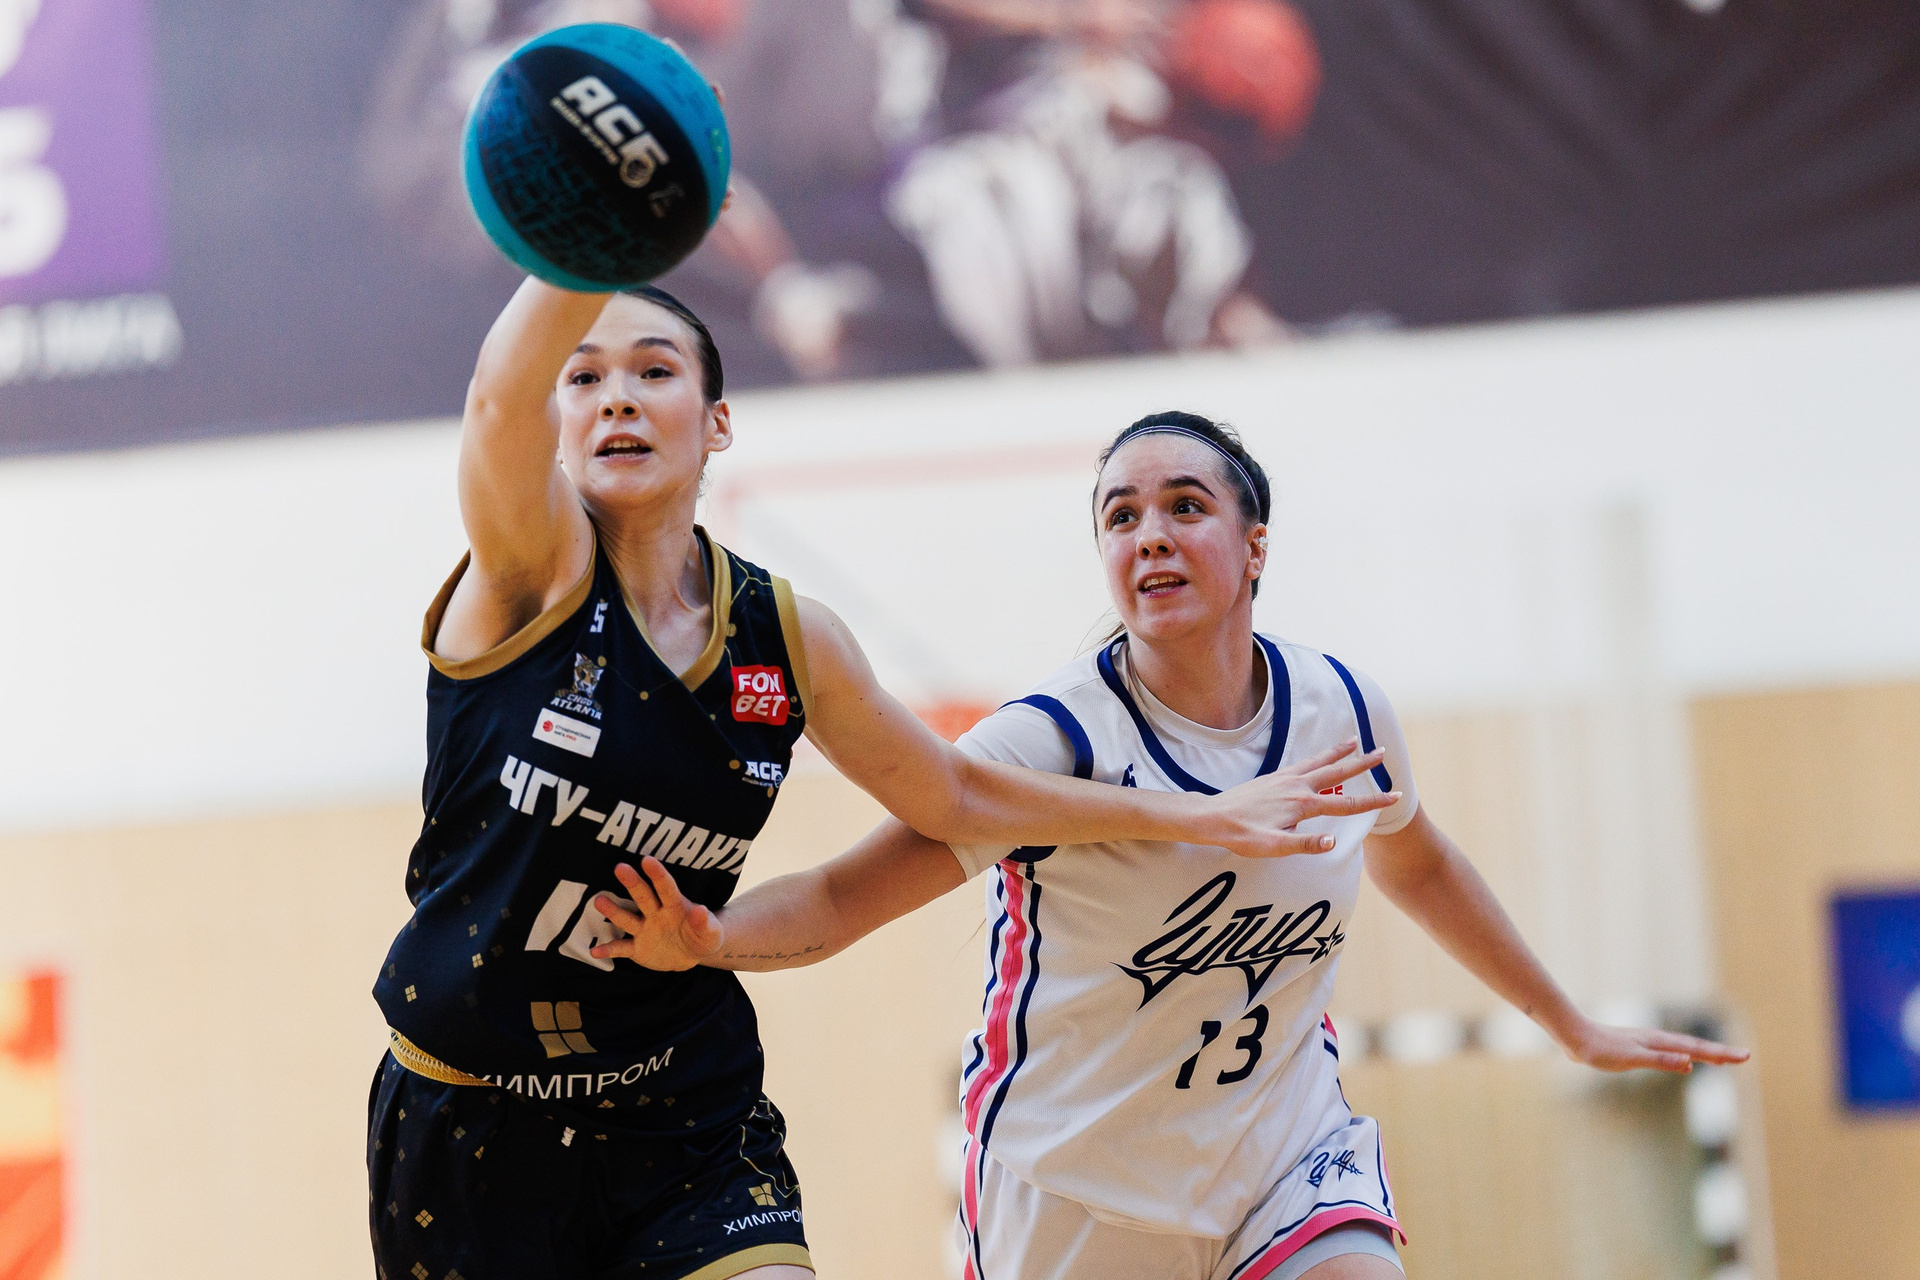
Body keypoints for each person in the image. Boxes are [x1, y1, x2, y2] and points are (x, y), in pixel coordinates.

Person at [592, 410, 1751, 1280]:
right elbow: (848, 895)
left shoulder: (1343, 709)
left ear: (1255, 546)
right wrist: (709, 936)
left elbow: (1420, 860)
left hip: (1282, 1150)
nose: (1150, 533)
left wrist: (1569, 1021)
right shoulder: (1052, 739)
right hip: (1072, 1183)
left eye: (1185, 506)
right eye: (1121, 515)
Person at [367, 288, 1379, 1280]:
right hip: (471, 1112)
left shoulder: (787, 638)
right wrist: (576, 241)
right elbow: (498, 400)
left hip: (675, 1101)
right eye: (584, 378)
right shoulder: (526, 574)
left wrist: (1197, 813)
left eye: (654, 371)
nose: (617, 397)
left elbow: (957, 798)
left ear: (717, 423)